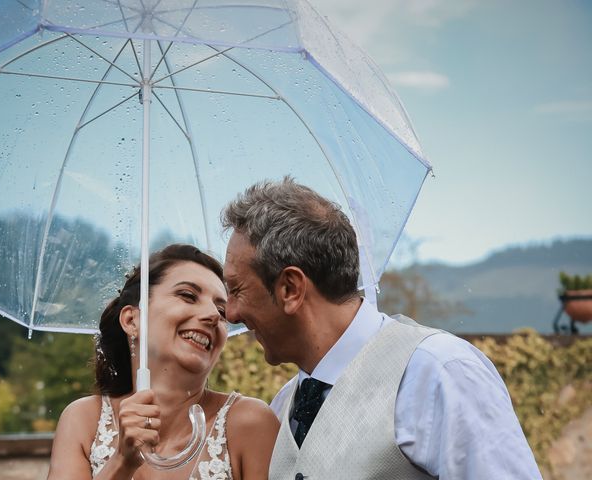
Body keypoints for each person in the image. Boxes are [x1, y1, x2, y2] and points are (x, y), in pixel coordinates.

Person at [221, 178, 542, 479]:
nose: (231, 313)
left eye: (236, 290)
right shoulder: (283, 404)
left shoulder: (441, 372)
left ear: (290, 288)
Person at [48, 244, 279, 480]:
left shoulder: (250, 423)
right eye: (188, 296)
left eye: (221, 311)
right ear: (131, 320)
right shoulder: (83, 420)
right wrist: (121, 463)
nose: (213, 315)